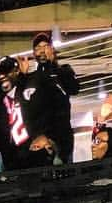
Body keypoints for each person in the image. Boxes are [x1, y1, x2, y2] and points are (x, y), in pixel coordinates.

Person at [0, 56, 59, 171]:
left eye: (6, 71)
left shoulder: (30, 89)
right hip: (11, 160)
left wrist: (48, 137)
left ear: (17, 71)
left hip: (36, 153)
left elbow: (51, 107)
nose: (2, 76)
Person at [31, 32, 80, 163]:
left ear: (52, 49)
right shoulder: (32, 78)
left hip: (62, 136)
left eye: (45, 46)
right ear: (33, 54)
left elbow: (74, 89)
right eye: (38, 48)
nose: (42, 50)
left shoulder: (64, 70)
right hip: (42, 139)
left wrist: (53, 65)